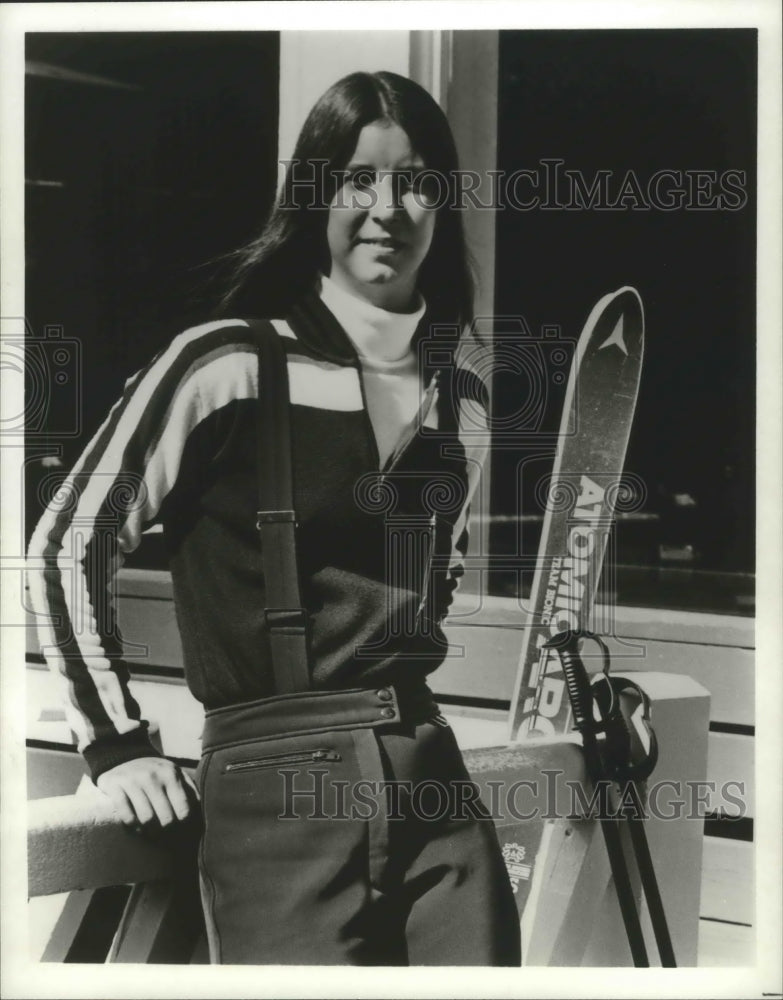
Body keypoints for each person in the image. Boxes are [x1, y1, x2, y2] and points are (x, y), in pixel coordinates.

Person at [27, 70, 521, 966]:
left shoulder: (465, 402)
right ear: (314, 199)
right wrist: (113, 742)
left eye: (416, 181)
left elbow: (427, 588)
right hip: (274, 786)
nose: (388, 208)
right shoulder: (222, 367)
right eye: (357, 179)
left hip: (431, 783)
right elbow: (65, 546)